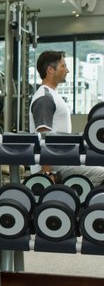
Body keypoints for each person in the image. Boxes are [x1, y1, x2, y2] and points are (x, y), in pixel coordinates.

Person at [29, 49, 104, 186]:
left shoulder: (52, 94)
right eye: (63, 66)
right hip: (54, 165)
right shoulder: (44, 98)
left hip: (62, 158)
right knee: (102, 173)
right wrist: (47, 175)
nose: (67, 70)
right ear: (50, 70)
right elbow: (42, 139)